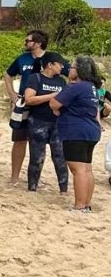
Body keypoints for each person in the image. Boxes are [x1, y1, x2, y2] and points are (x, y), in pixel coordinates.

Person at [51, 56, 103, 212]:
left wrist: (58, 108)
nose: (69, 69)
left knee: (77, 169)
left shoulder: (76, 86)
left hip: (76, 130)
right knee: (86, 168)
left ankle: (79, 206)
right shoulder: (92, 87)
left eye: (72, 67)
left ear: (79, 70)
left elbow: (54, 103)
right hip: (91, 129)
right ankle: (86, 204)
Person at [4, 30, 49, 186]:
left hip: (43, 105)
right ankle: (14, 176)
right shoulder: (22, 58)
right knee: (19, 139)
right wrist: (12, 94)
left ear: (38, 43)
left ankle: (36, 177)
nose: (25, 43)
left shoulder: (51, 59)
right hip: (24, 103)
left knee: (39, 143)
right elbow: (8, 75)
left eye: (28, 40)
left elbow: (68, 74)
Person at [23, 52, 68, 194]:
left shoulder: (61, 81)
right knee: (37, 158)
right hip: (38, 122)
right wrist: (52, 96)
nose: (62, 67)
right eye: (59, 64)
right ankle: (32, 188)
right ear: (50, 65)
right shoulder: (35, 78)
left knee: (60, 158)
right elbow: (29, 99)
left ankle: (63, 190)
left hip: (57, 124)